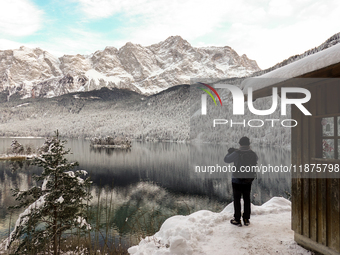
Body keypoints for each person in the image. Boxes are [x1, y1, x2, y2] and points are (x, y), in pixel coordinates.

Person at [224, 136, 258, 227]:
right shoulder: (253, 154)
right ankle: (246, 219)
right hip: (248, 179)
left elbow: (226, 160)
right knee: (247, 199)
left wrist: (229, 152)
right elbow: (255, 162)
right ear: (249, 144)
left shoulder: (236, 153)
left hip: (237, 179)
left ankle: (237, 219)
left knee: (237, 199)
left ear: (240, 144)